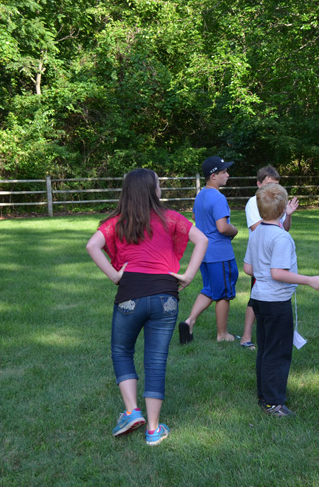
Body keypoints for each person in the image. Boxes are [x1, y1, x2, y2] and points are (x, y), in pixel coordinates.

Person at [86, 168, 208, 446]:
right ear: (152, 189)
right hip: (166, 296)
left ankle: (131, 412)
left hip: (130, 294)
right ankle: (153, 430)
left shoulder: (118, 222)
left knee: (121, 350)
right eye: (158, 184)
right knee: (156, 362)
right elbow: (202, 240)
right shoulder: (172, 218)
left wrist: (116, 276)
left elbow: (92, 245)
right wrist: (188, 275)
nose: (161, 188)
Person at [243, 183, 319, 417]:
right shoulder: (281, 238)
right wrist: (309, 279)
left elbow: (248, 267)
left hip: (259, 299)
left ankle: (265, 395)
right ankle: (273, 403)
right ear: (282, 208)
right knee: (278, 352)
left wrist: (263, 271)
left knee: (265, 348)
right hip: (275, 303)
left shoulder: (256, 231)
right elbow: (278, 273)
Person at [178, 156, 240, 344]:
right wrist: (235, 230)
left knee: (210, 289)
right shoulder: (218, 197)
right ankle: (222, 334)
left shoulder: (201, 195)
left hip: (203, 253)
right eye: (223, 172)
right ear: (213, 176)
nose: (227, 175)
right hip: (220, 254)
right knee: (223, 294)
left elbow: (195, 216)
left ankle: (189, 321)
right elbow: (222, 227)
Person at [240, 166, 299, 350]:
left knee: (259, 298)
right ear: (259, 184)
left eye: (276, 185)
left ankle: (259, 337)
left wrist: (287, 216)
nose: (273, 189)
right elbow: (260, 229)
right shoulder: (254, 203)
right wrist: (309, 280)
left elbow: (284, 227)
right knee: (256, 297)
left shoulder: (276, 215)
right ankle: (246, 336)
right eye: (269, 184)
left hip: (271, 255)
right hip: (262, 258)